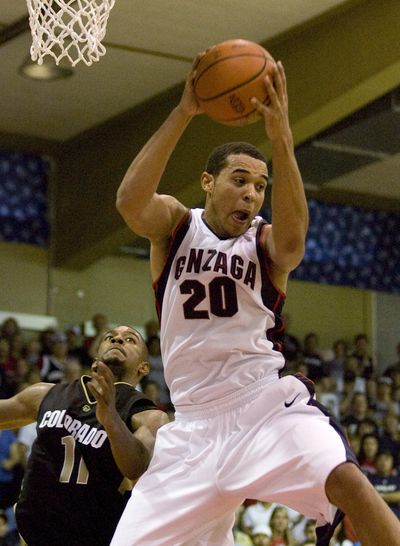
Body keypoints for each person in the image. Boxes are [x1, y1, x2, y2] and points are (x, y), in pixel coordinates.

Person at [111, 51, 400, 546]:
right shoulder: (177, 227)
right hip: (193, 430)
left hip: (261, 407)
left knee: (349, 480)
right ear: (208, 182)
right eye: (239, 180)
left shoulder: (265, 243)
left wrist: (282, 137)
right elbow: (129, 203)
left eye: (260, 186)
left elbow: (294, 244)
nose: (250, 194)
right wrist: (185, 110)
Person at [0, 325, 169, 546]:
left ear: (144, 368)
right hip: (33, 536)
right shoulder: (47, 393)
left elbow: (136, 468)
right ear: (95, 359)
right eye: (110, 337)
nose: (118, 340)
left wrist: (110, 419)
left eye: (130, 339)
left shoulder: (149, 416)